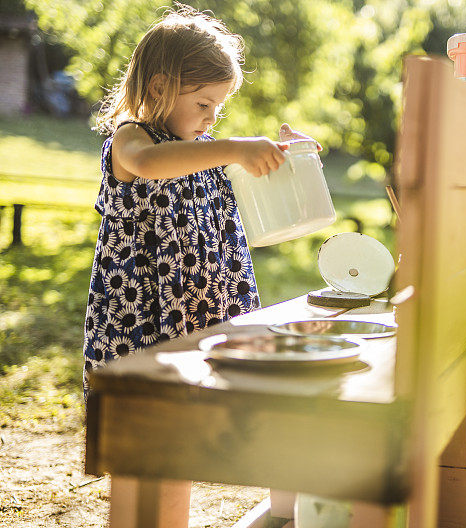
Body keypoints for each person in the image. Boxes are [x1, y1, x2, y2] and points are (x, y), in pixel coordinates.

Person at [82, 5, 316, 395]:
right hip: (147, 309)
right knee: (148, 400)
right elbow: (149, 164)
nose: (211, 119)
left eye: (218, 108)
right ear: (159, 88)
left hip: (210, 301)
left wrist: (284, 153)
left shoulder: (207, 150)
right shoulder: (133, 139)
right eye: (203, 104)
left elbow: (252, 175)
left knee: (211, 394)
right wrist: (237, 148)